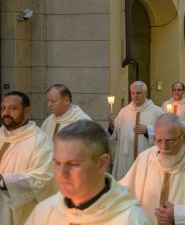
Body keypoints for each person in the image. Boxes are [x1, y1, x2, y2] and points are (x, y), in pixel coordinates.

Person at [26, 120, 151, 225]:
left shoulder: (132, 220)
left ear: (102, 163)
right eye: (58, 163)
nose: (61, 174)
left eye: (73, 164)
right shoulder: (44, 212)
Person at [120, 114, 185, 224]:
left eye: (169, 140)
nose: (164, 147)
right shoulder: (145, 159)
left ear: (184, 137)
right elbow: (123, 193)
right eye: (159, 140)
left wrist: (180, 215)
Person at [0, 91, 56, 225]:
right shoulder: (1, 134)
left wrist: (4, 182)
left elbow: (44, 176)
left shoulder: (40, 140)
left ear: (26, 111)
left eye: (13, 108)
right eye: (3, 108)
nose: (6, 112)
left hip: (20, 213)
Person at [108, 81, 164, 179]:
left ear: (146, 93)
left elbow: (164, 133)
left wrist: (147, 130)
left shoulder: (157, 111)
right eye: (132, 93)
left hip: (146, 155)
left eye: (138, 93)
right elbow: (116, 134)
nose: (135, 96)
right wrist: (112, 125)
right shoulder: (124, 111)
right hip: (126, 157)